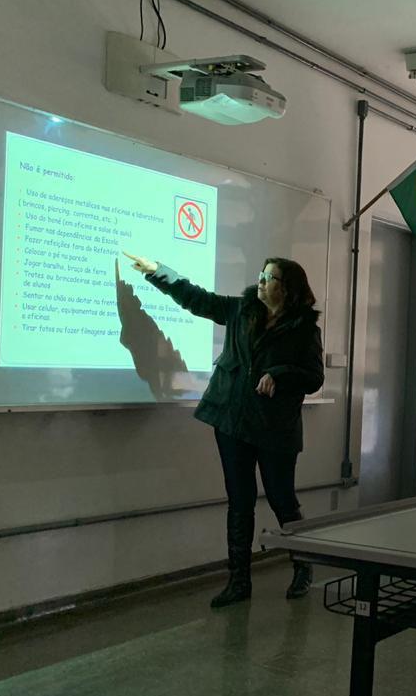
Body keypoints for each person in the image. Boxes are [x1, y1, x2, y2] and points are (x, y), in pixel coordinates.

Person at [122, 251, 325, 607]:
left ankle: (302, 565)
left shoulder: (305, 329)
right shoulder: (241, 310)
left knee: (281, 499)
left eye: (270, 278)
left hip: (276, 428)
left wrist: (280, 374)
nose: (260, 281)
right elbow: (197, 299)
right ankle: (239, 581)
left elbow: (314, 378)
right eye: (261, 275)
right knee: (239, 501)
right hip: (233, 421)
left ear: (288, 288)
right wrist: (157, 272)